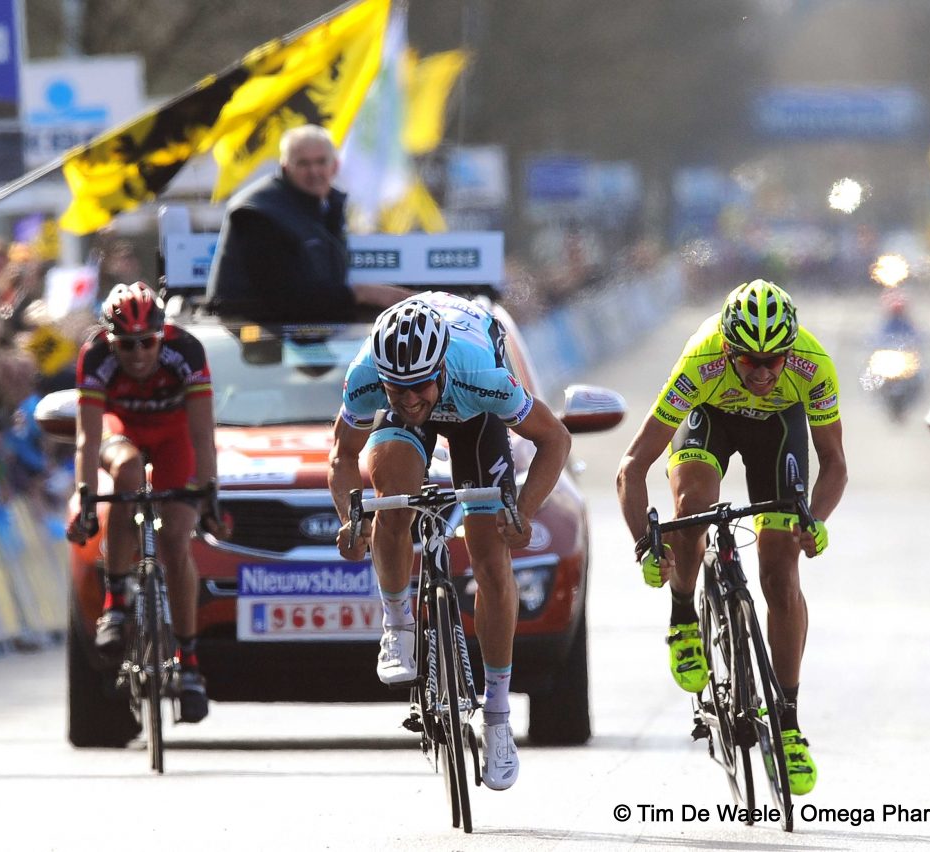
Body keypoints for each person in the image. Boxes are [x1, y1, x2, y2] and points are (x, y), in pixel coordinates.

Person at [328, 291, 573, 791]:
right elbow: (341, 458)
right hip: (412, 420)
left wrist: (522, 513)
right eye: (399, 391)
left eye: (419, 386)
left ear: (438, 369)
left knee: (490, 556)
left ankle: (498, 717)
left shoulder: (482, 376)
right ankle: (398, 623)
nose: (411, 399)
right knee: (390, 494)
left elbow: (556, 440)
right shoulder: (367, 378)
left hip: (473, 415)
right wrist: (351, 518)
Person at [615, 279, 847, 797]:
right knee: (692, 508)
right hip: (710, 419)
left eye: (774, 361)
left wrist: (817, 519)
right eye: (750, 361)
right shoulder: (702, 363)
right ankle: (682, 618)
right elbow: (632, 466)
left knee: (781, 575)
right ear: (727, 348)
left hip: (778, 432)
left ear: (790, 352)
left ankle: (786, 722)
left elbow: (835, 464)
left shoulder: (812, 365)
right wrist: (644, 544)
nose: (763, 373)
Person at [66, 281, 223, 724]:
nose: (137, 355)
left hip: (175, 433)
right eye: (126, 345)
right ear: (110, 340)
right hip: (123, 429)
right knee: (127, 473)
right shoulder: (95, 356)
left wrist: (208, 490)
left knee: (175, 539)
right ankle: (116, 602)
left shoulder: (187, 351)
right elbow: (87, 438)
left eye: (147, 343)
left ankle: (189, 665)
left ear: (162, 335)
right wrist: (85, 497)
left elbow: (201, 435)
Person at [205, 124, 407, 322]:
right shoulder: (259, 212)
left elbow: (318, 292)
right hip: (250, 342)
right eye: (303, 163)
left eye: (321, 162)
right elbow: (285, 298)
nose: (313, 171)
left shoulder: (325, 207)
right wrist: (361, 294)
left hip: (302, 336)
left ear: (335, 165)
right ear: (285, 167)